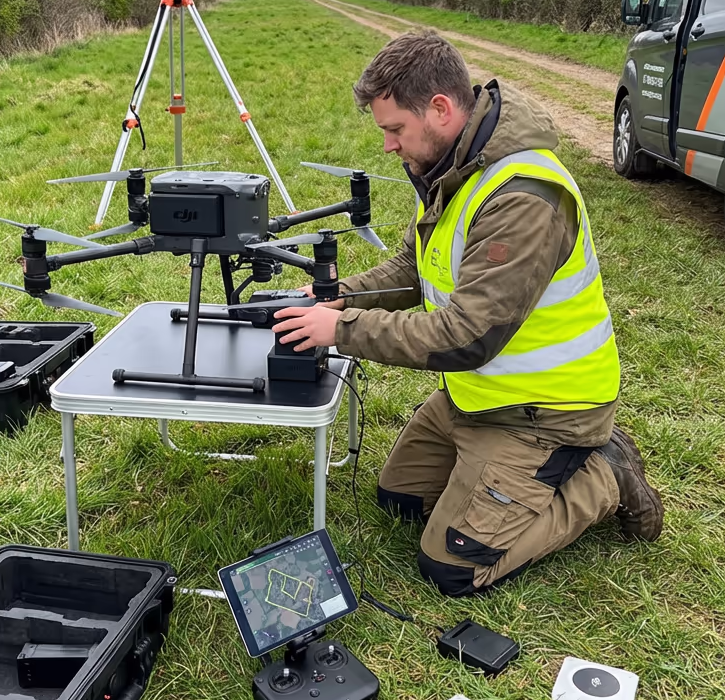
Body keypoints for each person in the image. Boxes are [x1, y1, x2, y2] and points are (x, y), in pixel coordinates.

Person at [272, 30, 663, 598]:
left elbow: (465, 337)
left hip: (546, 412)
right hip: (475, 397)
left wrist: (341, 330)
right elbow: (413, 268)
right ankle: (493, 475)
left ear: (440, 108)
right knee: (399, 501)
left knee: (452, 567)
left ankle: (603, 473)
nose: (388, 146)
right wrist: (338, 298)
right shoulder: (450, 166)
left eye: (394, 130)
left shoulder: (523, 197)